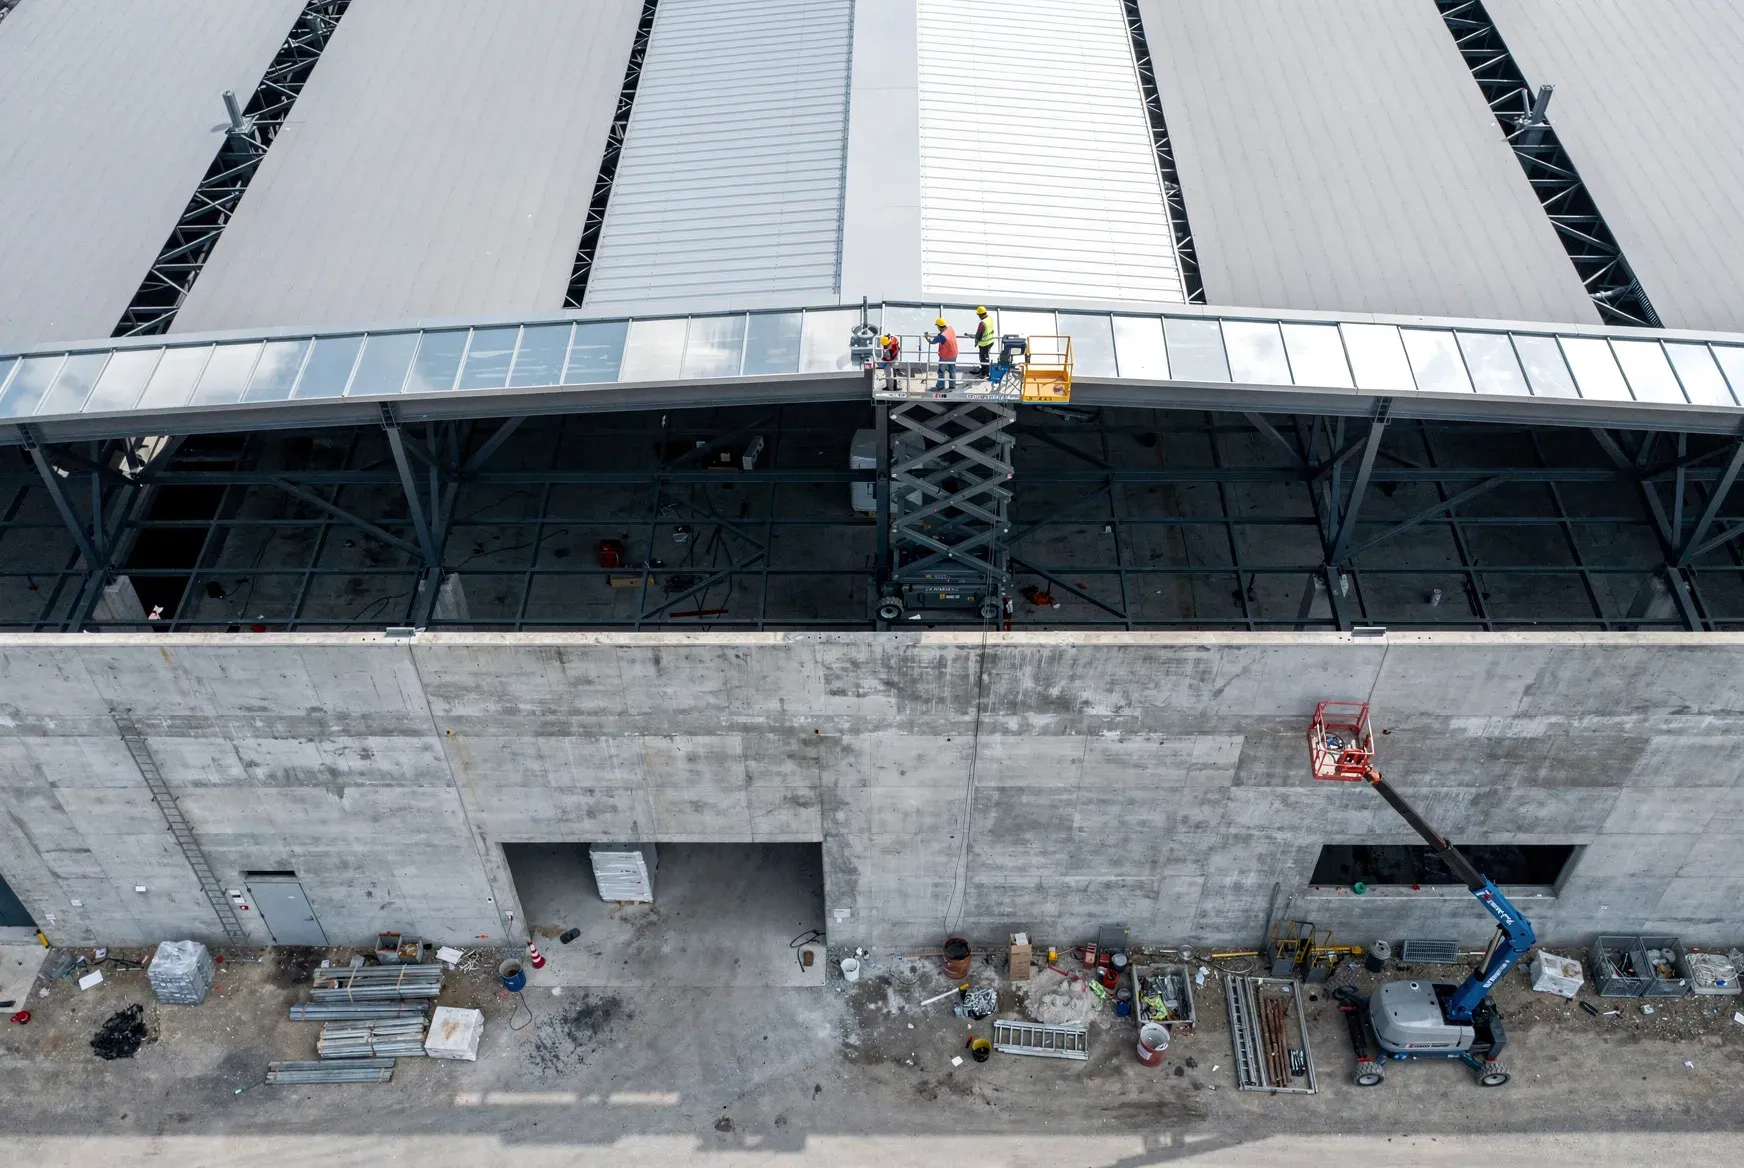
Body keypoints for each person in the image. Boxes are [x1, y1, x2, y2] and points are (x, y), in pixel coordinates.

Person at [926, 317, 958, 391]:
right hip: (954, 353)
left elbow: (932, 342)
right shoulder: (950, 329)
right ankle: (952, 386)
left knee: (941, 371)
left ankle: (940, 385)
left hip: (945, 356)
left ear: (938, 326)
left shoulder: (942, 336)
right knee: (952, 369)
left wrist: (927, 338)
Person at [971, 306, 995, 378]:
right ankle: (985, 370)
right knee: (986, 357)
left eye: (979, 315)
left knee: (983, 358)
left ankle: (984, 373)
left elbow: (978, 335)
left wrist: (976, 342)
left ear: (981, 314)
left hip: (984, 344)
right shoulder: (990, 318)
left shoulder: (982, 323)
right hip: (990, 341)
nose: (979, 316)